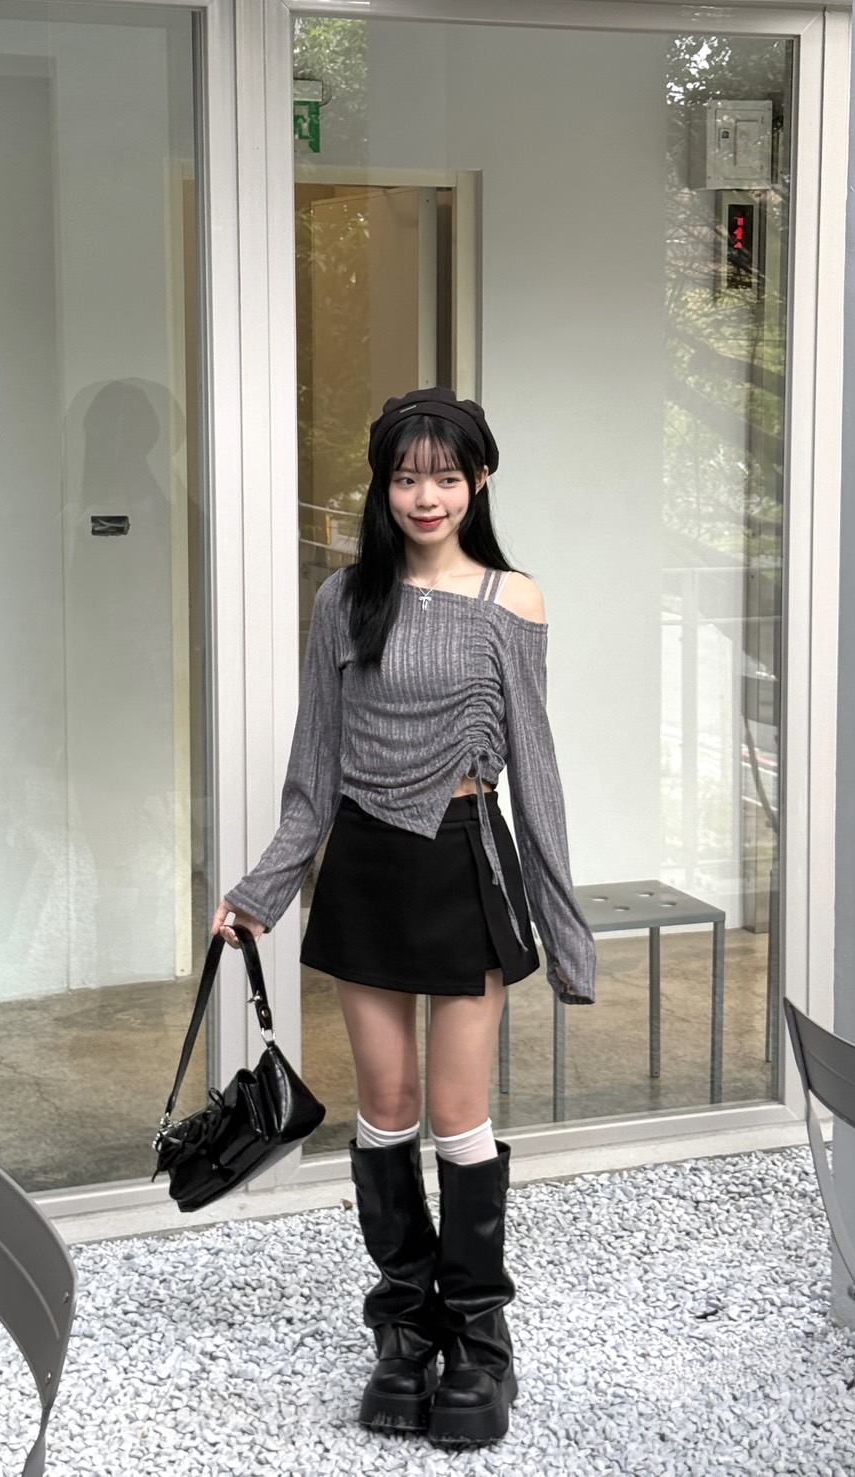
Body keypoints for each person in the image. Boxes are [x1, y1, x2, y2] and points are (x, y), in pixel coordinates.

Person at [212, 387, 596, 1447]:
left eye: (446, 476)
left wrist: (565, 929)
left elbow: (537, 773)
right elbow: (313, 771)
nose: (426, 496)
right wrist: (259, 893)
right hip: (366, 868)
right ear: (383, 486)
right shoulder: (345, 599)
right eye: (405, 477)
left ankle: (477, 1342)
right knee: (385, 1107)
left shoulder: (511, 601)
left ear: (480, 481)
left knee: (459, 1112)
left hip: (465, 860)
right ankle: (404, 1327)